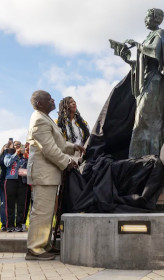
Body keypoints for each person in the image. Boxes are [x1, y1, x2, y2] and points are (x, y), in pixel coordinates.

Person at [25, 90, 85, 261]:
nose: (53, 100)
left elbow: (59, 143)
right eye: (49, 98)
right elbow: (49, 149)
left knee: (47, 212)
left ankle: (43, 245)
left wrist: (74, 147)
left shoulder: (45, 118)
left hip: (48, 174)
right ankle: (34, 249)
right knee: (41, 212)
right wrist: (68, 161)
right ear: (39, 103)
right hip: (43, 174)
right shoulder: (38, 120)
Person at [124, 8, 164, 158]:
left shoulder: (161, 33)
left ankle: (152, 156)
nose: (145, 19)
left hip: (155, 81)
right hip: (146, 79)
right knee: (140, 119)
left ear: (156, 18)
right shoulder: (149, 36)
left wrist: (137, 44)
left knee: (150, 120)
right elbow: (141, 63)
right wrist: (127, 59)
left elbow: (155, 51)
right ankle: (139, 156)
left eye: (147, 17)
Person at [4, 140, 28, 232]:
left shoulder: (24, 156)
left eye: (19, 145)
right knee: (10, 204)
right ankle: (10, 225)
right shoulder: (8, 155)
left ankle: (19, 225)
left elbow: (29, 168)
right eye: (16, 145)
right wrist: (15, 155)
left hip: (22, 181)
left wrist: (26, 158)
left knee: (21, 204)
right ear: (13, 147)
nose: (18, 146)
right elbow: (7, 163)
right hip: (10, 181)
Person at [0, 143, 9, 231]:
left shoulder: (13, 156)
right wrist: (5, 152)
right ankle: (4, 224)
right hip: (2, 183)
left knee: (8, 205)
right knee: (3, 205)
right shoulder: (1, 157)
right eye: (5, 147)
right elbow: (3, 163)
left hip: (11, 183)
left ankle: (8, 224)